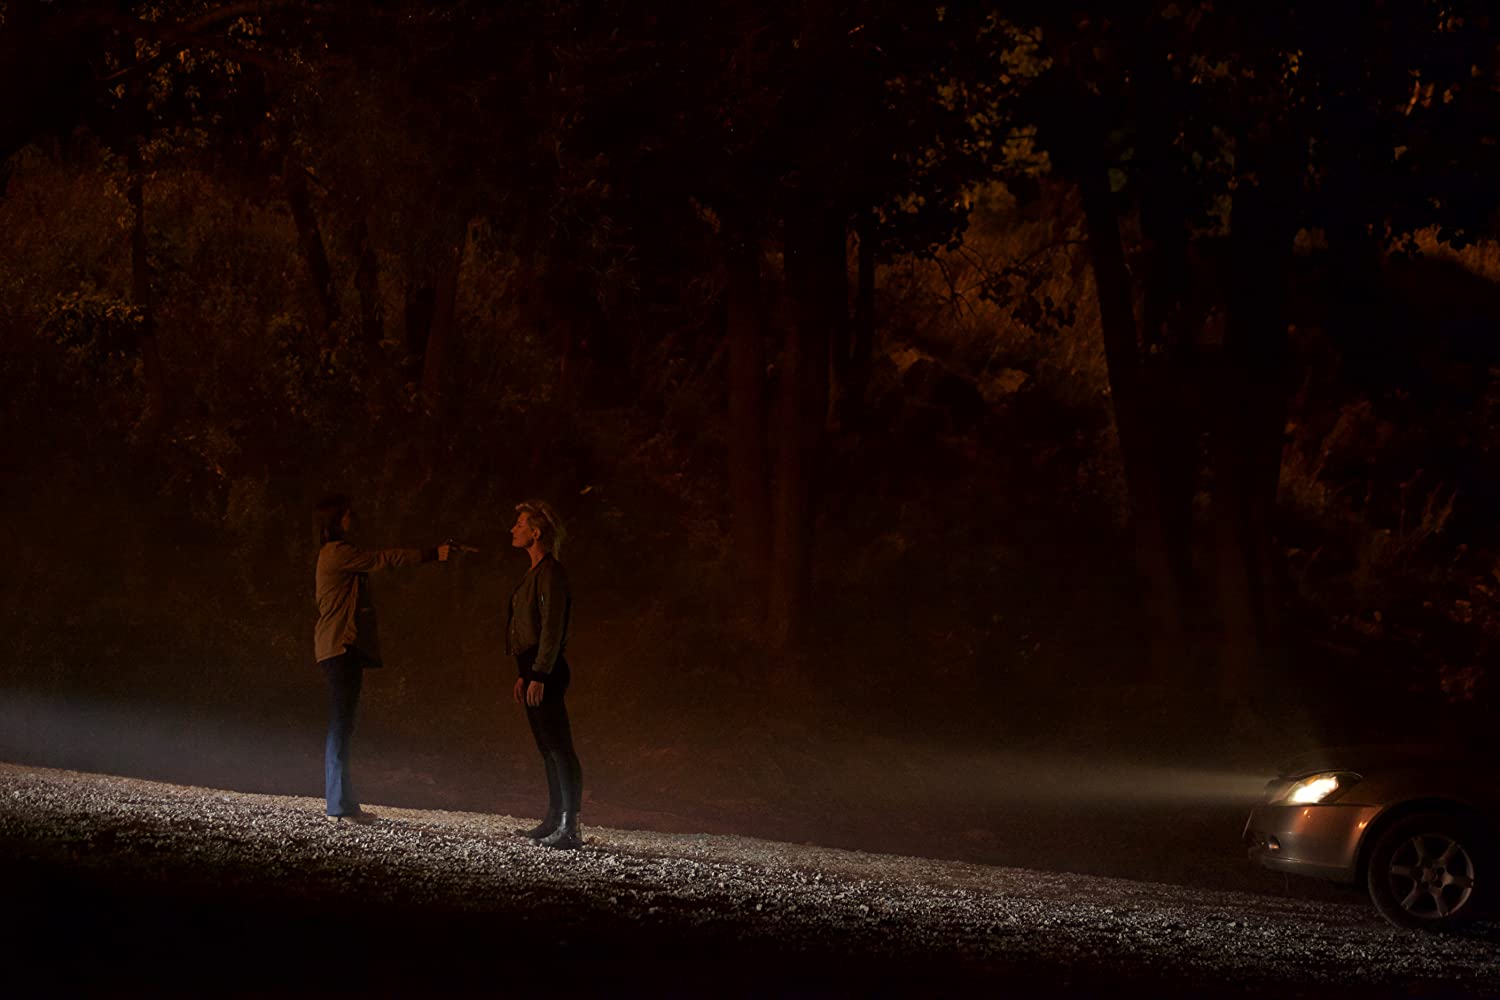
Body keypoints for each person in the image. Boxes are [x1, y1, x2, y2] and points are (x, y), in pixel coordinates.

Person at [313, 493, 451, 824]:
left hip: (336, 647)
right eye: (347, 515)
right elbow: (384, 558)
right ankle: (338, 806)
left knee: (343, 725)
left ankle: (344, 803)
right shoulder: (338, 553)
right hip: (340, 648)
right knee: (341, 726)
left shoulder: (334, 553)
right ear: (337, 520)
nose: (352, 519)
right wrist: (431, 554)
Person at [507, 499, 583, 850]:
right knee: (547, 747)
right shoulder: (535, 572)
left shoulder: (551, 572)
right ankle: (554, 818)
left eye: (520, 524)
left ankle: (570, 826)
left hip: (545, 669)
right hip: (534, 668)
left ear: (535, 533)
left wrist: (539, 672)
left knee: (559, 746)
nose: (513, 529)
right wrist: (524, 674)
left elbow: (552, 627)